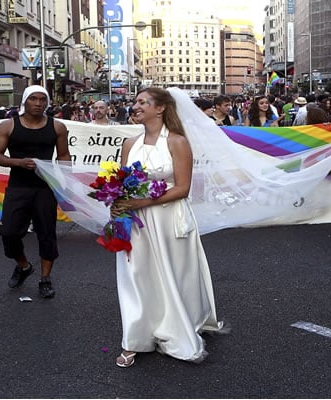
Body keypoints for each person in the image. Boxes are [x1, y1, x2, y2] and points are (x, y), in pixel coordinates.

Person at [110, 87, 225, 367]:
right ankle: (134, 338)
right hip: (137, 222)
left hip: (167, 216)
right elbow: (123, 183)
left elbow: (183, 189)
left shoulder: (177, 142)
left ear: (160, 108)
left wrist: (142, 202)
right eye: (135, 102)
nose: (135, 106)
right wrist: (117, 203)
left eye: (142, 102)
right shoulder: (130, 144)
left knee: (173, 274)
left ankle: (177, 327)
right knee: (136, 274)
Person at [0, 85, 70, 298]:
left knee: (46, 234)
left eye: (42, 99)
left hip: (45, 187)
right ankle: (24, 266)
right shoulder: (8, 126)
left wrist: (66, 180)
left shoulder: (58, 127)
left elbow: (63, 156)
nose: (38, 103)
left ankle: (45, 279)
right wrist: (18, 162)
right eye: (33, 99)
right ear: (25, 101)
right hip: (18, 186)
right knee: (9, 233)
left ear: (48, 102)